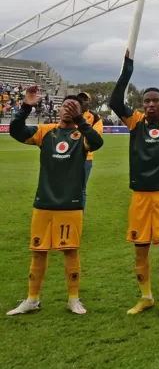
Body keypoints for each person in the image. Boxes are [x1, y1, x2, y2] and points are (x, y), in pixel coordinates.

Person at [6, 89, 104, 316]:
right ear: (58, 110)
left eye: (74, 107)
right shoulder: (45, 132)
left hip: (70, 203)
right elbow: (16, 131)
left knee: (70, 251)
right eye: (65, 106)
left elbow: (97, 142)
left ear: (81, 112)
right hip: (44, 202)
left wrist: (80, 120)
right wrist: (26, 107)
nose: (68, 109)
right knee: (38, 252)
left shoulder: (82, 137)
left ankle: (73, 298)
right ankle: (32, 299)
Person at [109, 49, 159, 320]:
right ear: (142, 105)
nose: (151, 104)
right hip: (141, 195)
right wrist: (127, 70)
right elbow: (115, 101)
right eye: (147, 101)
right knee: (140, 248)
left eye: (156, 100)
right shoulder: (135, 122)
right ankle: (146, 297)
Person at [77, 92, 103, 209]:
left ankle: (79, 216)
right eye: (80, 98)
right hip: (68, 155)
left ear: (89, 102)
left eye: (85, 99)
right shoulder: (69, 114)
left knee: (81, 189)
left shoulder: (94, 117)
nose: (82, 100)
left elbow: (96, 137)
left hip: (86, 158)